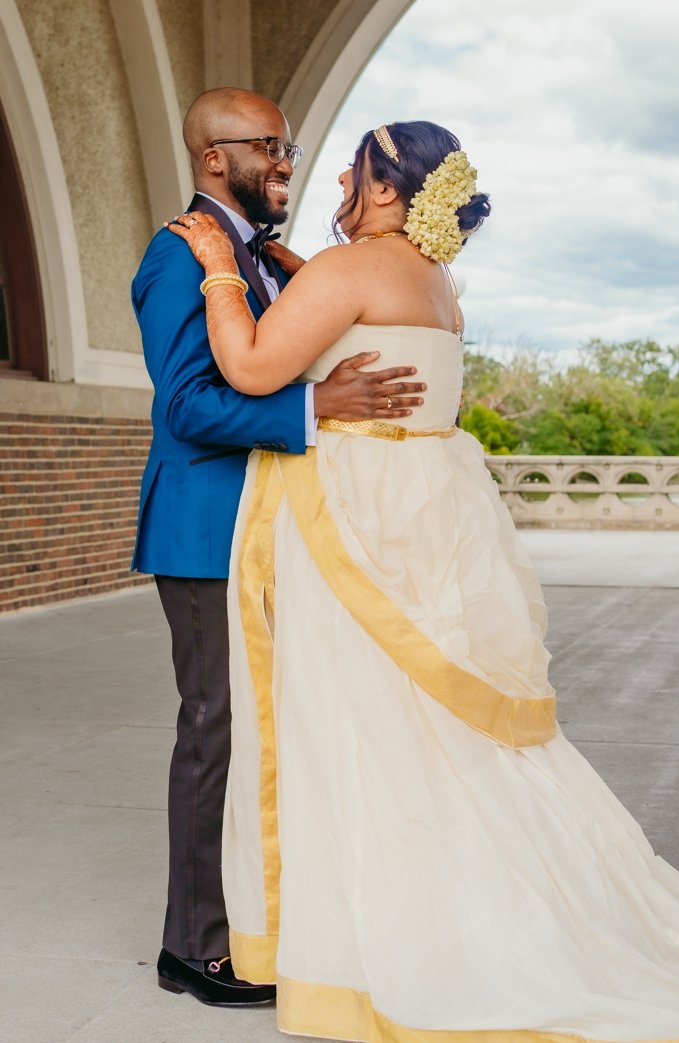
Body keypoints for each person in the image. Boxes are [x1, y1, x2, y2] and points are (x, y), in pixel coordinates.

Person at [165, 120, 679, 1041]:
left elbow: (249, 364)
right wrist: (293, 262)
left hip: (354, 522)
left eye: (352, 168)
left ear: (381, 189)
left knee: (359, 725)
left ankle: (376, 932)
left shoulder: (347, 269)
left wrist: (220, 266)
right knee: (431, 722)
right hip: (428, 517)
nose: (331, 173)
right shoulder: (438, 282)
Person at [132, 87, 427, 1008]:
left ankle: (265, 917)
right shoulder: (181, 254)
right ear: (215, 158)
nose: (289, 164)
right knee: (215, 729)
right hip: (206, 534)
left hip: (275, 532)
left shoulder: (264, 257)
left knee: (275, 732)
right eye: (272, 149)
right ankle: (193, 945)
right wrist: (316, 405)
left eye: (293, 149)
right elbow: (184, 405)